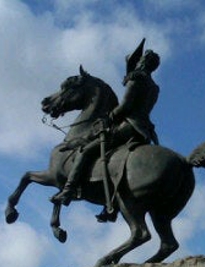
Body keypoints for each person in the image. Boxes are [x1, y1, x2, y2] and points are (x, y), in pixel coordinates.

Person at [51, 39, 161, 221]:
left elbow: (125, 107)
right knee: (115, 158)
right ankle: (110, 204)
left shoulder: (136, 79)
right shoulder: (155, 87)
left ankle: (68, 191)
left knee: (86, 150)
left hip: (129, 126)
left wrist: (109, 116)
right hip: (145, 131)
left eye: (141, 60)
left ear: (143, 62)